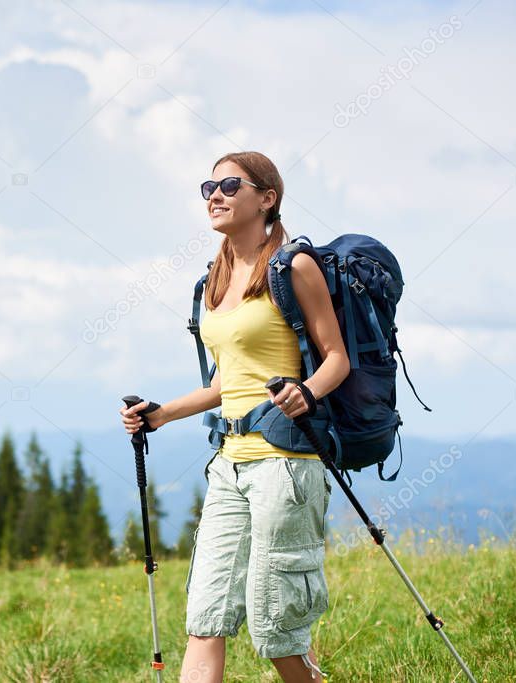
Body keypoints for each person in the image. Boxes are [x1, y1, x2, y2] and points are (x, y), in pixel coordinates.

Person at [120, 151, 350, 683]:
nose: (214, 195)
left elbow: (336, 357)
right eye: (208, 187)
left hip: (286, 467)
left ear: (267, 199)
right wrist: (161, 414)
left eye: (229, 185)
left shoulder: (294, 267)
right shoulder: (215, 279)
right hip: (229, 464)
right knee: (206, 618)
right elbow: (228, 382)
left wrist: (306, 393)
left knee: (277, 634)